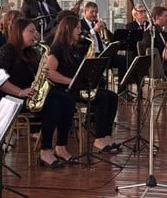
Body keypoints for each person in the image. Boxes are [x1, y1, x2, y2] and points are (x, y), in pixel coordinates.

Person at [0, 18, 70, 168]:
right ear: (18, 33)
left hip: (30, 95)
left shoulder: (30, 52)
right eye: (31, 31)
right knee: (52, 105)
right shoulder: (7, 52)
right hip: (13, 98)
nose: (35, 34)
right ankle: (45, 151)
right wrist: (20, 92)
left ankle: (61, 145)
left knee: (66, 100)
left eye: (35, 31)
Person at [44, 16, 121, 155]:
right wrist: (72, 81)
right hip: (65, 89)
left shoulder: (74, 47)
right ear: (68, 29)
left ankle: (106, 136)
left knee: (112, 96)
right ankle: (99, 138)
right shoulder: (57, 48)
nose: (80, 31)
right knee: (102, 98)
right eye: (77, 28)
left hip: (77, 86)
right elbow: (50, 73)